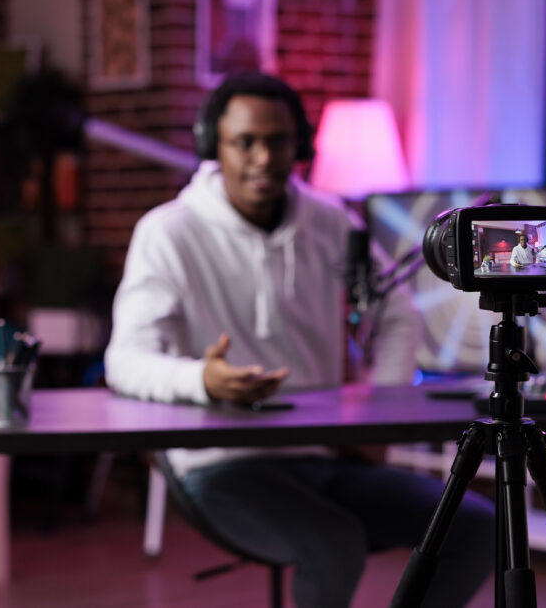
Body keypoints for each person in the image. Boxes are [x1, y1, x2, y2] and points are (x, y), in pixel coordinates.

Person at [104, 73, 494, 608]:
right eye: (245, 142)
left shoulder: (331, 223)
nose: (263, 157)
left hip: (324, 456)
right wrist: (201, 379)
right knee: (333, 543)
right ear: (212, 146)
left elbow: (398, 315)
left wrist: (379, 409)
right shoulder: (168, 232)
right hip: (218, 464)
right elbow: (125, 359)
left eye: (278, 141)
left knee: (477, 528)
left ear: (300, 146)